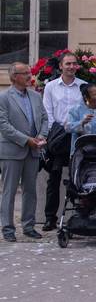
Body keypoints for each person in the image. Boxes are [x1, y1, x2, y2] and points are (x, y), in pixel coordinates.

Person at [0, 63, 49, 241]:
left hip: (34, 150)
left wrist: (42, 136)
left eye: (30, 72)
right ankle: (8, 229)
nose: (30, 76)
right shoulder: (4, 97)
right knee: (9, 191)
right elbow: (4, 126)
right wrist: (26, 140)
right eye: (25, 73)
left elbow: (44, 118)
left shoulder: (36, 96)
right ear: (14, 77)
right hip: (12, 151)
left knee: (30, 190)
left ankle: (29, 226)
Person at [40, 52, 85, 230]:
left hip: (77, 135)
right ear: (61, 66)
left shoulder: (83, 86)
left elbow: (85, 109)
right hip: (58, 136)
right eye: (68, 64)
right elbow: (47, 112)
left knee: (79, 175)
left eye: (74, 64)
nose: (71, 67)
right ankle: (50, 217)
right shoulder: (51, 87)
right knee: (55, 176)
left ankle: (81, 213)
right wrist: (52, 133)